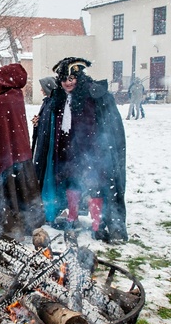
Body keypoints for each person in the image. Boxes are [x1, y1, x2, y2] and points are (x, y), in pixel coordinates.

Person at [33, 56, 127, 242]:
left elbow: (108, 125)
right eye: (64, 79)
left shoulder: (94, 95)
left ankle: (97, 224)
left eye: (72, 78)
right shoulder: (58, 97)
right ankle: (72, 217)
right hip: (66, 150)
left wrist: (99, 148)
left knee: (95, 187)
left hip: (93, 151)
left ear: (79, 78)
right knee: (71, 183)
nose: (68, 83)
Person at [0, 63, 44, 239]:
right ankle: (23, 224)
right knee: (19, 192)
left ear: (5, 81)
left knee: (2, 194)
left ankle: (3, 227)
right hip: (17, 156)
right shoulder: (16, 96)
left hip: (1, 159)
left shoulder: (2, 100)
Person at [31, 76, 57, 155]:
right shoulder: (46, 102)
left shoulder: (53, 103)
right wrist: (38, 120)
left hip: (47, 140)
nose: (41, 90)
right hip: (42, 138)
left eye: (43, 87)